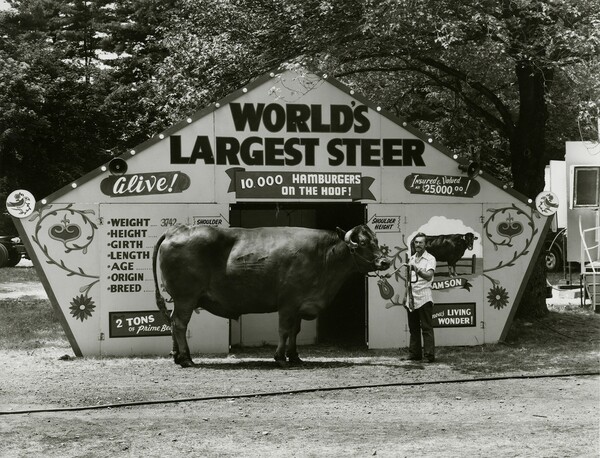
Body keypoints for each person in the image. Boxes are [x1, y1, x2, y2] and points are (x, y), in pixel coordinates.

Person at [406, 232, 436, 362]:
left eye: (420, 242)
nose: (418, 245)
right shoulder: (411, 258)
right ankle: (415, 354)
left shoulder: (430, 259)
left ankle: (429, 356)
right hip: (412, 297)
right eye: (416, 242)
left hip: (424, 297)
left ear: (425, 244)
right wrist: (405, 296)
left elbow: (429, 276)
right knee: (413, 328)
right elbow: (408, 279)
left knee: (426, 328)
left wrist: (417, 269)